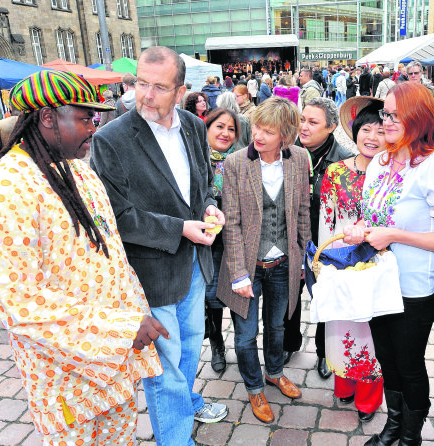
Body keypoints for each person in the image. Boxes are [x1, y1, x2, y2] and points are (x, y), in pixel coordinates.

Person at [0, 69, 167, 443]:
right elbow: (21, 305)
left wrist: (137, 316)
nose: (94, 127)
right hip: (67, 383)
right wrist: (122, 329)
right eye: (84, 119)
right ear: (48, 118)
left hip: (115, 367)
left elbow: (112, 258)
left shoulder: (80, 171)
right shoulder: (2, 192)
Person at [91, 46, 228, 446]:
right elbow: (115, 215)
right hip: (151, 272)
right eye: (140, 84)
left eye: (158, 87)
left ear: (181, 89)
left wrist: (209, 207)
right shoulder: (110, 139)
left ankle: (185, 403)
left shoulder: (191, 123)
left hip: (194, 267)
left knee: (186, 354)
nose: (145, 96)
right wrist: (180, 228)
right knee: (163, 369)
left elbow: (202, 186)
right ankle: (177, 439)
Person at [343, 82, 434, 446]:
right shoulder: (381, 160)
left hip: (415, 286)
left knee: (409, 362)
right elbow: (373, 217)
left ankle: (410, 434)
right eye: (386, 114)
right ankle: (393, 425)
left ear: (419, 117)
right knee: (386, 358)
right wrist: (360, 229)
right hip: (377, 279)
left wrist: (394, 234)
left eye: (397, 115)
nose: (387, 122)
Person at [217, 97, 311, 423]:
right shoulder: (236, 164)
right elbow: (231, 222)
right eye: (257, 126)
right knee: (245, 336)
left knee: (276, 326)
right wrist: (239, 274)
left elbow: (301, 210)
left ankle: (274, 372)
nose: (258, 135)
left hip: (284, 262)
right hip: (247, 266)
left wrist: (302, 253)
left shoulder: (300, 159)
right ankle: (254, 387)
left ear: (284, 135)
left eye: (268, 131)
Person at [319, 96, 386, 423]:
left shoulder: (394, 175)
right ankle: (344, 386)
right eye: (366, 129)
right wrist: (322, 263)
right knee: (342, 326)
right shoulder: (335, 171)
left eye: (380, 130)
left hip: (379, 263)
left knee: (371, 332)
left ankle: (369, 400)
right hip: (341, 262)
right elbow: (326, 220)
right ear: (355, 133)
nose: (372, 137)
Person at [282, 97, 351, 377]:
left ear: (331, 127)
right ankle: (289, 343)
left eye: (313, 122)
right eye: (302, 120)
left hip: (327, 242)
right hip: (291, 237)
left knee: (326, 297)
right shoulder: (287, 151)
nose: (304, 127)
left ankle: (325, 353)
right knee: (290, 295)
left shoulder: (344, 158)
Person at [204, 107, 241, 374]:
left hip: (236, 241)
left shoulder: (242, 161)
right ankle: (217, 344)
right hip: (206, 242)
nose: (225, 133)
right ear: (206, 128)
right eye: (219, 126)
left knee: (240, 293)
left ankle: (244, 345)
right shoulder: (196, 160)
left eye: (231, 129)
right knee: (212, 295)